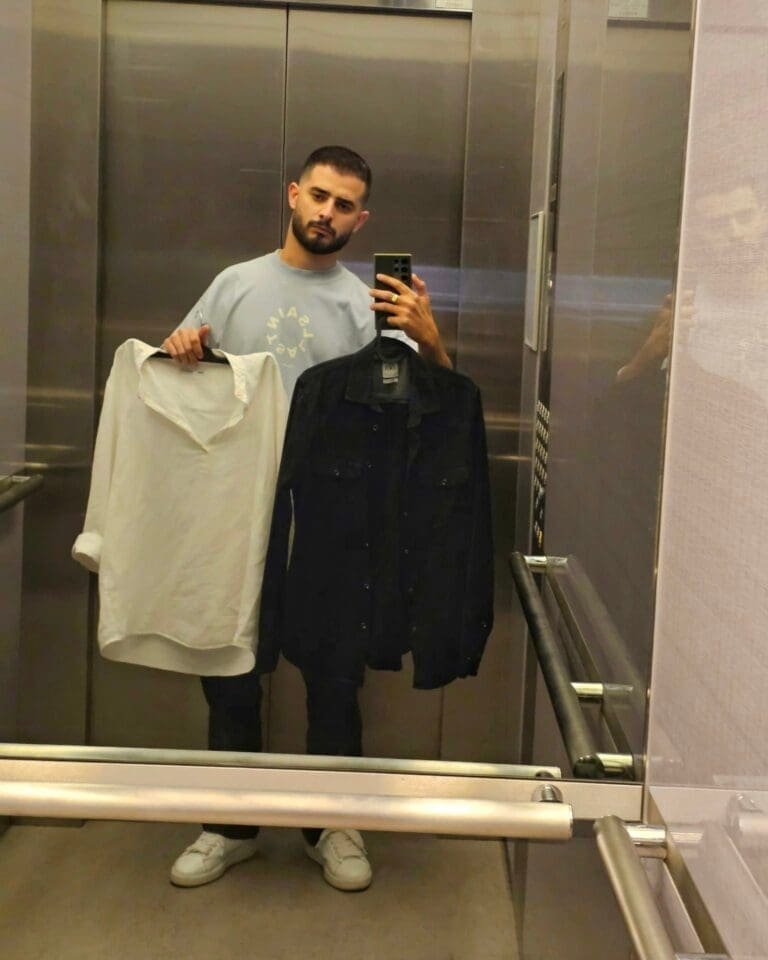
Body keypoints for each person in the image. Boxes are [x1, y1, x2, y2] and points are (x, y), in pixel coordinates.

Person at [161, 145, 450, 891]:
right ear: (293, 194)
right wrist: (184, 345)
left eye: (344, 204)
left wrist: (429, 335)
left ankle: (333, 822)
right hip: (236, 506)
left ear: (362, 219)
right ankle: (229, 824)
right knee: (231, 668)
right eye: (318, 196)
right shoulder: (234, 285)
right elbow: (178, 367)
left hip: (335, 512)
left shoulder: (368, 304)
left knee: (333, 672)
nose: (327, 213)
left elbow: (431, 405)